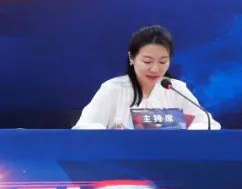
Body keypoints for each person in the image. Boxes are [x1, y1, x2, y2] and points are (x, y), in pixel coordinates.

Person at [74, 25, 220, 130]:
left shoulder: (176, 89)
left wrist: (187, 134)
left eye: (162, 61)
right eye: (147, 61)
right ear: (131, 58)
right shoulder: (112, 89)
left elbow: (209, 125)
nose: (155, 69)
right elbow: (84, 127)